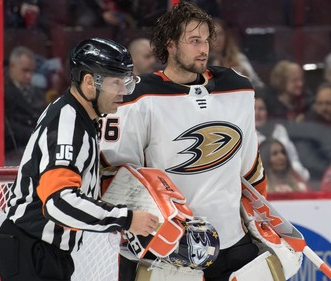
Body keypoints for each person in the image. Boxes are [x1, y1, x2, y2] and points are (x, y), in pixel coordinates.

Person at [100, 2, 268, 280]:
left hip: (232, 241)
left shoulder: (237, 88)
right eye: (193, 41)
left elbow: (250, 167)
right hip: (168, 247)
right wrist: (147, 230)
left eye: (205, 41)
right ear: (171, 45)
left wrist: (260, 221)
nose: (204, 49)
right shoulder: (139, 98)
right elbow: (116, 176)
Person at [0, 38, 159, 281]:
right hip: (31, 250)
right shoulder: (67, 126)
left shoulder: (80, 116)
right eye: (116, 82)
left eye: (126, 82)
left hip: (44, 251)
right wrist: (127, 219)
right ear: (89, 82)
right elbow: (59, 203)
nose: (124, 91)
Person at [0, 46, 47, 165]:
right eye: (25, 70)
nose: (29, 76)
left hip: (35, 148)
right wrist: (33, 134)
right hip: (8, 151)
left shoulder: (38, 94)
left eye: (32, 71)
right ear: (12, 66)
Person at [255, 94, 310, 181]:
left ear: (268, 112)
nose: (257, 113)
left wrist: (300, 178)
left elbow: (293, 160)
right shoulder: (242, 135)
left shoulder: (279, 130)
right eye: (253, 109)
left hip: (287, 180)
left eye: (261, 109)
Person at [209, 18, 264, 90]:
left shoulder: (238, 57)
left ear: (226, 36)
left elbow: (257, 83)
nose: (218, 38)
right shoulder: (203, 62)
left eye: (221, 34)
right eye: (213, 34)